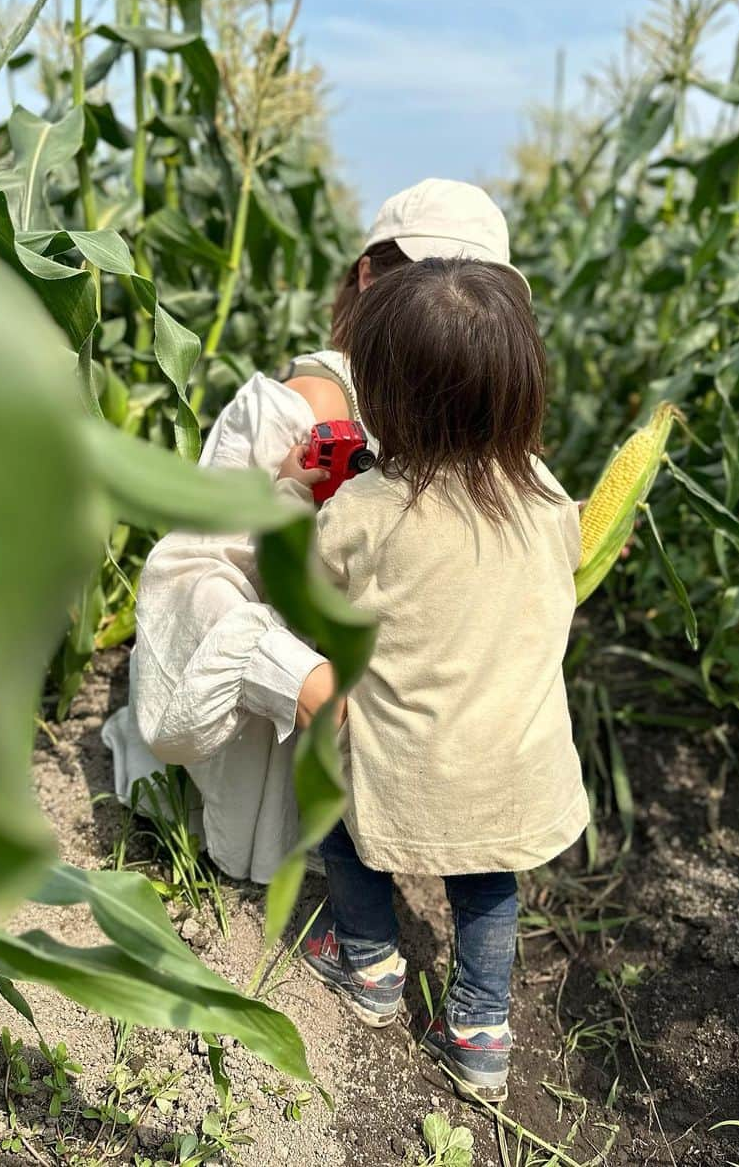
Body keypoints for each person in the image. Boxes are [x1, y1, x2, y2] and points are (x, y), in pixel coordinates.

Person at [101, 179, 533, 883]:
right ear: (369, 276)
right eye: (431, 281)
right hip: (270, 746)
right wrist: (296, 678)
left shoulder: (460, 425)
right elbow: (189, 579)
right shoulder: (297, 412)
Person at [277, 257, 589, 1103]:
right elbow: (568, 561)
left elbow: (305, 596)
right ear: (520, 392)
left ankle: (370, 967)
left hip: (401, 765)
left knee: (342, 822)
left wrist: (292, 497)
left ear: (384, 399)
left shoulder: (365, 513)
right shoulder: (548, 495)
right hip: (511, 765)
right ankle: (481, 1030)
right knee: (489, 885)